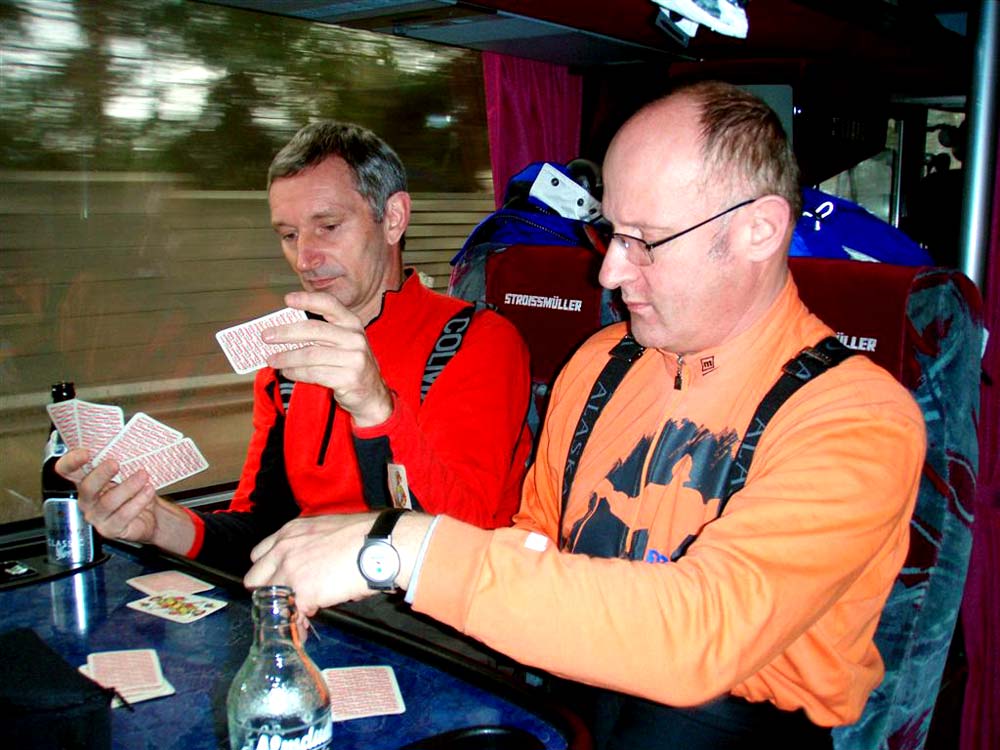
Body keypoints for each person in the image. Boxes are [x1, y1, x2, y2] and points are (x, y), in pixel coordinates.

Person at [244, 82, 925, 748]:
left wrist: (397, 547)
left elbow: (703, 634)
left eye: (645, 241)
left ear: (758, 231)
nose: (607, 274)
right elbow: (533, 545)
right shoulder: (600, 365)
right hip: (566, 696)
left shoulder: (858, 417)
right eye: (610, 233)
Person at [56, 121, 533, 576]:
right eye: (288, 235)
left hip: (428, 627)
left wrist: (375, 405)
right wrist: (159, 523)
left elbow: (462, 544)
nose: (305, 258)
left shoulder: (476, 343)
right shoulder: (287, 365)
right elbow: (261, 529)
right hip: (318, 611)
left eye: (327, 227)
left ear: (393, 218)